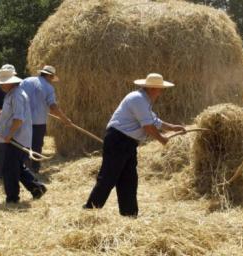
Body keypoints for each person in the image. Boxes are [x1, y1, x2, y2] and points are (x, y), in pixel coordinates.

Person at [83, 73, 186, 217]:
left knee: (129, 180)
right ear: (152, 88)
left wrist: (173, 127)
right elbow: (148, 126)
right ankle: (89, 212)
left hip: (128, 143)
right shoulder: (137, 99)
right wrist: (162, 139)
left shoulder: (144, 101)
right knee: (108, 177)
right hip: (118, 140)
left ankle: (129, 215)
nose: (161, 92)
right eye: (159, 89)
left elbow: (155, 121)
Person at [0, 69, 47, 203]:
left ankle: (12, 198)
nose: (0, 86)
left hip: (17, 137)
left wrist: (9, 134)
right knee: (17, 166)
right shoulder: (11, 94)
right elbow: (6, 111)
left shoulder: (17, 95)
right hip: (14, 136)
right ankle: (37, 188)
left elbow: (18, 119)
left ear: (10, 83)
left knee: (9, 169)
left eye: (2, 83)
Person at [20, 65, 72, 173]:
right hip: (38, 122)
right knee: (36, 146)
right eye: (52, 77)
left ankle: (23, 169)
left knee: (23, 145)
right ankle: (34, 170)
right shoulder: (48, 87)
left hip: (22, 119)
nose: (52, 80)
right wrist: (65, 119)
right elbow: (53, 107)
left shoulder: (26, 81)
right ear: (49, 76)